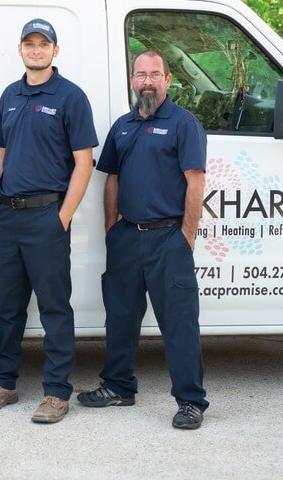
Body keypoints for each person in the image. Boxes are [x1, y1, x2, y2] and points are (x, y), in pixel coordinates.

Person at [0, 18, 97, 424]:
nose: (37, 49)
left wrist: (62, 217)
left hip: (47, 215)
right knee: (9, 308)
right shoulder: (10, 94)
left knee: (54, 307)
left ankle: (57, 393)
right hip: (8, 216)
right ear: (21, 48)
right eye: (30, 43)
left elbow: (84, 164)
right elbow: (0, 150)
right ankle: (3, 385)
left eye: (44, 44)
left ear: (55, 51)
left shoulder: (71, 97)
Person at [77, 49, 209, 430]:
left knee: (179, 324)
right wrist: (110, 231)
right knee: (119, 318)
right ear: (132, 81)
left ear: (167, 80)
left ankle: (191, 401)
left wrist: (186, 236)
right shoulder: (122, 126)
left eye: (155, 74)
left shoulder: (184, 124)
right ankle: (118, 386)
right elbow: (111, 180)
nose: (147, 81)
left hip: (168, 238)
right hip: (126, 239)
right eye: (140, 74)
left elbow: (195, 182)